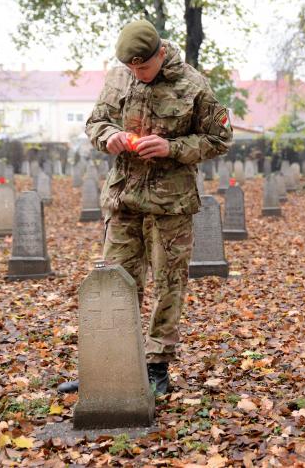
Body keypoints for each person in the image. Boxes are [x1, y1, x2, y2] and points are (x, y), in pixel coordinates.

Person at [58, 19, 233, 395]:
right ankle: (112, 363)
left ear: (160, 53)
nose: (137, 74)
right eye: (131, 67)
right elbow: (95, 122)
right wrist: (110, 137)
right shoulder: (119, 78)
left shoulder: (193, 85)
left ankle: (156, 368)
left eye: (143, 67)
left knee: (168, 283)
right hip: (124, 199)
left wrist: (173, 148)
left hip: (171, 203)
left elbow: (220, 137)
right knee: (116, 283)